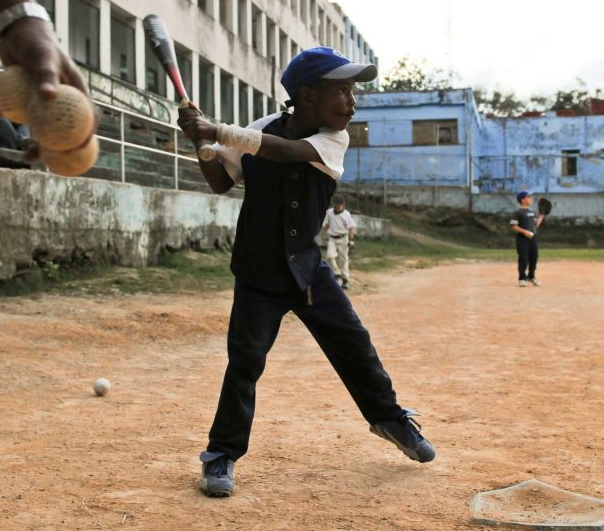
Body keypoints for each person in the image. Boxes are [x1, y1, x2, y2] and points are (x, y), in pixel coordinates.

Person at [177, 46, 435, 498]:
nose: (352, 102)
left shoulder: (333, 138)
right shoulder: (256, 130)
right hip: (258, 273)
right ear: (308, 94)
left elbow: (286, 151)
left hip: (306, 270)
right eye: (343, 91)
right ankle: (221, 455)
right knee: (245, 362)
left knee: (354, 343)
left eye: (353, 92)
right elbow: (221, 180)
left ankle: (390, 420)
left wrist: (215, 130)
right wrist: (201, 146)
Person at [0, 0, 95, 152]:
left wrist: (19, 19)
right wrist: (21, 17)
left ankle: (22, 143)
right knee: (3, 121)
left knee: (16, 123)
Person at [510, 190, 545, 287]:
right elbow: (514, 226)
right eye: (528, 197)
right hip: (522, 239)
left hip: (533, 238)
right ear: (522, 199)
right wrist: (525, 232)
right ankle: (522, 278)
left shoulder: (532, 212)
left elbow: (536, 224)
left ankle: (531, 277)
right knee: (523, 258)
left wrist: (542, 215)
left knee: (534, 257)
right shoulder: (517, 212)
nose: (531, 199)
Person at [321, 193, 355, 289]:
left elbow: (351, 228)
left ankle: (345, 279)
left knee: (343, 259)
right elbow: (326, 225)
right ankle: (337, 273)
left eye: (339, 205)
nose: (337, 207)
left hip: (343, 238)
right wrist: (323, 236)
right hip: (332, 238)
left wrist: (351, 240)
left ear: (343, 205)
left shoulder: (346, 214)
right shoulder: (329, 213)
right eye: (335, 205)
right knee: (329, 256)